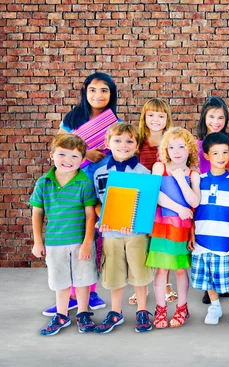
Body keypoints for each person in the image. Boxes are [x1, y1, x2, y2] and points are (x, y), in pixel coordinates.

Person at [43, 72, 118, 316]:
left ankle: (90, 291)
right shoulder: (72, 118)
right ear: (85, 92)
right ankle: (70, 295)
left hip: (102, 185)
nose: (99, 95)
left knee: (94, 238)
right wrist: (87, 155)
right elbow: (59, 148)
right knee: (74, 237)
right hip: (75, 184)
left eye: (104, 90)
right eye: (93, 89)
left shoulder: (114, 121)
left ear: (112, 94)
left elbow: (119, 149)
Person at [31, 134, 98, 335]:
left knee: (83, 279)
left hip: (80, 241)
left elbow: (90, 215)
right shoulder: (44, 183)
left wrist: (87, 243)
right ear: (52, 155)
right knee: (60, 280)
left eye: (74, 156)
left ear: (82, 160)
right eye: (62, 154)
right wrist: (37, 241)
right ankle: (61, 315)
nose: (67, 160)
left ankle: (83, 313)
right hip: (54, 242)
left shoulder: (84, 183)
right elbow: (37, 212)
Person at [93, 123, 154, 334]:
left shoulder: (143, 172)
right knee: (115, 271)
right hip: (111, 233)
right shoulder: (100, 172)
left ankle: (143, 311)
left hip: (136, 233)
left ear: (136, 145)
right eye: (117, 140)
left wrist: (139, 225)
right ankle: (116, 312)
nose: (123, 145)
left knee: (139, 271)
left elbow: (147, 204)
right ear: (107, 143)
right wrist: (102, 218)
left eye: (129, 141)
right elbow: (97, 203)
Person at [191, 132, 229, 326]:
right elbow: (193, 210)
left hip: (226, 238)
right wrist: (191, 233)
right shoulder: (199, 180)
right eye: (215, 153)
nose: (221, 157)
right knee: (209, 279)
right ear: (207, 156)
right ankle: (214, 307)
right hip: (202, 239)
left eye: (225, 152)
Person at [146, 127, 201, 328]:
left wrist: (180, 180)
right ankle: (160, 308)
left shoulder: (193, 174)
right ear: (165, 150)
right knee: (160, 268)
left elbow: (195, 202)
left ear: (190, 149)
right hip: (161, 224)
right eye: (171, 147)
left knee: (179, 269)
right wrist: (178, 207)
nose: (176, 151)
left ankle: (182, 307)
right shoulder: (159, 167)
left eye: (181, 146)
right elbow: (155, 194)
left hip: (181, 227)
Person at [129, 98, 177, 306]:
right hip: (141, 198)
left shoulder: (171, 142)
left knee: (160, 244)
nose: (155, 119)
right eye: (151, 115)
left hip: (165, 198)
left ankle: (165, 284)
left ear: (167, 118)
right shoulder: (137, 141)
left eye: (160, 115)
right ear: (144, 118)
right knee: (140, 244)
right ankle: (140, 285)